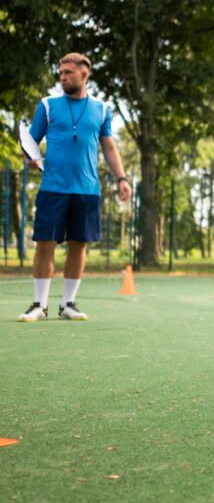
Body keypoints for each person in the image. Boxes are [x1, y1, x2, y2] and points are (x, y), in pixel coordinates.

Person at [18, 53, 132, 322]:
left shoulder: (102, 109)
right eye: (60, 72)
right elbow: (30, 144)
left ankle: (68, 304)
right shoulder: (46, 106)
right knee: (44, 243)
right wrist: (29, 159)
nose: (62, 76)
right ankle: (39, 305)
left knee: (78, 245)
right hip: (53, 187)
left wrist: (122, 178)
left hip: (87, 189)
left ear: (84, 75)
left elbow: (109, 146)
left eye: (68, 72)